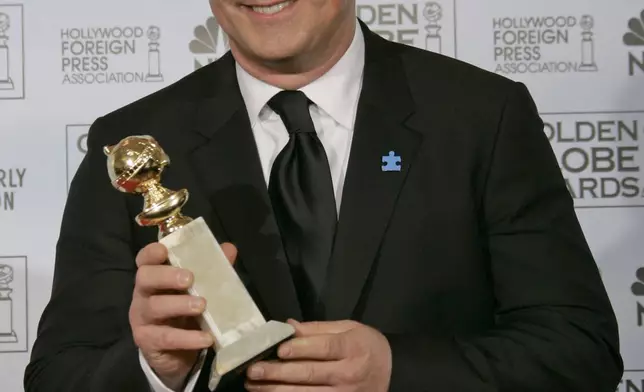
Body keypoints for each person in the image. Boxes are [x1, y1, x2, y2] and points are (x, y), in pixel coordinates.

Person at [25, 0, 623, 391]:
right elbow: (57, 375)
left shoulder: (481, 117)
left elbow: (579, 352)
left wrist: (396, 371)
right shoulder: (134, 145)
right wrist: (153, 370)